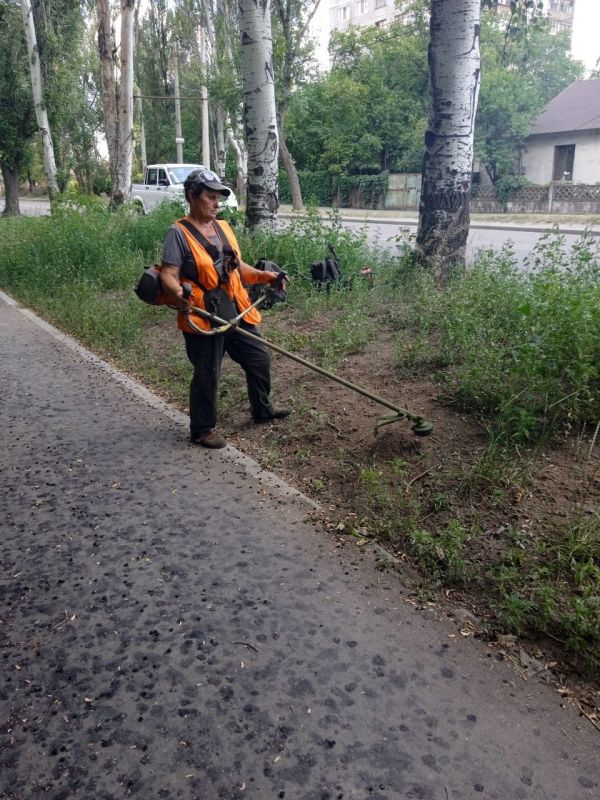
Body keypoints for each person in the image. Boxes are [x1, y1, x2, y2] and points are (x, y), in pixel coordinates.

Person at [160, 168, 290, 449]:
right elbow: (168, 274)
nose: (217, 202)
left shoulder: (223, 228)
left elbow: (237, 268)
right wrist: (177, 294)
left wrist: (266, 276)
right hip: (203, 314)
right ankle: (202, 430)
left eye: (219, 197)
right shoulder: (178, 233)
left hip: (235, 308)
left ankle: (262, 409)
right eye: (210, 196)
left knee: (259, 359)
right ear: (192, 196)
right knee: (207, 372)